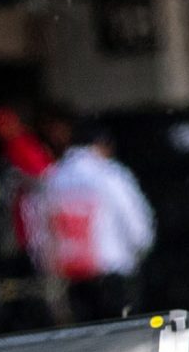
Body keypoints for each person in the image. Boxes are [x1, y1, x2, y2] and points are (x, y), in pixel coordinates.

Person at [34, 120, 156, 321]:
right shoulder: (110, 175)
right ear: (102, 145)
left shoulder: (54, 178)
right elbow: (134, 219)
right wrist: (141, 249)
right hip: (113, 271)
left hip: (74, 277)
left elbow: (42, 227)